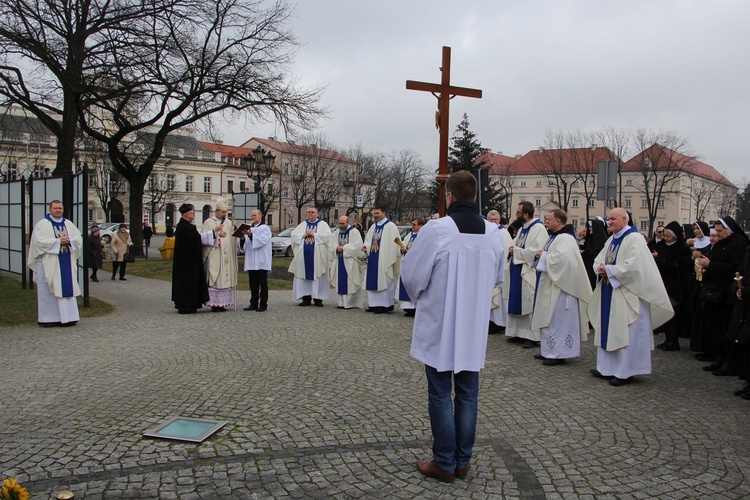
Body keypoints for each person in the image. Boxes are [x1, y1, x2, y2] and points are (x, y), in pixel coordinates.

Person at [401, 171, 505, 483]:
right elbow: (498, 279)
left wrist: (421, 295)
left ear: (450, 196)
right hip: (472, 325)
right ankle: (462, 462)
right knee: (468, 394)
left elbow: (414, 276)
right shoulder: (493, 232)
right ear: (475, 196)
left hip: (441, 323)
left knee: (440, 394)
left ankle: (444, 462)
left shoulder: (438, 229)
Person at [588, 208, 674, 386]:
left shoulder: (635, 239)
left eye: (613, 219)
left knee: (626, 331)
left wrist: (609, 270)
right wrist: (601, 268)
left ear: (625, 220)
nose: (609, 222)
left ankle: (626, 371)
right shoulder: (612, 239)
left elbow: (634, 267)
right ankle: (607, 368)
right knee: (609, 329)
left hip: (629, 294)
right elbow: (599, 259)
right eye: (608, 219)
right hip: (610, 290)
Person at [531, 209, 592, 365]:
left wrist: (542, 256)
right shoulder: (554, 237)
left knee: (557, 321)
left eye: (548, 219)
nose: (546, 221)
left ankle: (559, 353)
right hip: (550, 285)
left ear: (558, 221)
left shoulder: (566, 238)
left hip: (561, 289)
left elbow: (564, 261)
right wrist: (542, 255)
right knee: (549, 318)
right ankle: (548, 351)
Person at [696, 217, 749, 376]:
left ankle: (729, 362)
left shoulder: (739, 245)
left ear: (730, 230)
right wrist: (706, 267)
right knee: (716, 328)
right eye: (716, 231)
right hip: (715, 294)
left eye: (720, 231)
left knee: (726, 329)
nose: (717, 235)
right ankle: (719, 358)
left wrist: (710, 265)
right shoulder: (721, 244)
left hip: (727, 295)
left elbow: (734, 269)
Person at [27, 200, 83, 327]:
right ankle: (48, 318)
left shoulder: (68, 224)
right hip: (49, 263)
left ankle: (70, 317)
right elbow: (39, 242)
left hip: (66, 261)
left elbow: (78, 239)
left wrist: (69, 240)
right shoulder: (42, 224)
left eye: (60, 208)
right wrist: (58, 241)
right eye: (56, 208)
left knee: (67, 287)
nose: (58, 210)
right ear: (50, 209)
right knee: (48, 291)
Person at [503, 201, 548, 348]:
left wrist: (515, 251)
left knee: (528, 301)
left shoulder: (539, 228)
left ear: (526, 214)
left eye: (518, 212)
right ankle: (517, 333)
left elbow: (536, 250)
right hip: (517, 268)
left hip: (528, 271)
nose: (516, 214)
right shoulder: (523, 228)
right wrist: (512, 248)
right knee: (516, 300)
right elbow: (515, 244)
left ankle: (532, 336)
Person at [653, 221, 692, 351]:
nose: (666, 238)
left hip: (676, 285)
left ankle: (673, 340)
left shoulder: (683, 248)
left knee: (674, 315)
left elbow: (676, 266)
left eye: (669, 235)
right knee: (667, 313)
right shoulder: (664, 246)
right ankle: (668, 339)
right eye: (665, 235)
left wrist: (657, 261)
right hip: (664, 283)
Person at [172, 203, 218, 314]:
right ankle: (186, 305)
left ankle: (191, 305)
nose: (194, 214)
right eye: (192, 213)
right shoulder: (184, 226)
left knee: (191, 283)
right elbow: (196, 239)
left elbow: (195, 239)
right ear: (187, 215)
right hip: (186, 261)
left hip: (190, 260)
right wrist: (213, 231)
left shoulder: (186, 225)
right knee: (187, 283)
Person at [289, 207, 332, 306]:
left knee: (318, 277)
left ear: (317, 214)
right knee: (303, 277)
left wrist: (314, 234)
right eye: (308, 212)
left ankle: (318, 298)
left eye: (312, 212)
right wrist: (303, 235)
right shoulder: (303, 225)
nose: (310, 214)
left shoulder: (323, 225)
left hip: (318, 258)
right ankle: (306, 298)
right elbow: (294, 235)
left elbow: (328, 237)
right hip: (304, 258)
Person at [202, 197, 239, 311]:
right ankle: (214, 304)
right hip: (215, 255)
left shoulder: (228, 222)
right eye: (222, 212)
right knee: (216, 278)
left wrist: (235, 228)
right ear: (217, 211)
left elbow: (233, 239)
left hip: (227, 257)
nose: (224, 214)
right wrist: (217, 235)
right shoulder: (209, 222)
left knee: (226, 278)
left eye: (226, 212)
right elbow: (204, 238)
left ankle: (223, 303)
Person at [363, 207, 402, 314]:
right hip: (373, 257)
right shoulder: (373, 226)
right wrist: (366, 247)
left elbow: (395, 242)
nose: (375, 215)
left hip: (384, 258)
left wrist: (391, 253)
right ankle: (373, 305)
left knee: (385, 280)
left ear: (384, 213)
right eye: (375, 213)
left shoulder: (390, 226)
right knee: (373, 280)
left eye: (377, 213)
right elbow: (368, 240)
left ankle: (384, 305)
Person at [330, 215, 365, 309]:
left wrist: (344, 248)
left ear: (348, 223)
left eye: (342, 223)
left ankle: (352, 303)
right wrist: (336, 248)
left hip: (351, 261)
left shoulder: (354, 232)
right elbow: (331, 244)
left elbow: (357, 245)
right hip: (339, 260)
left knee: (352, 281)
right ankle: (341, 303)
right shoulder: (336, 232)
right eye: (339, 223)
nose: (340, 225)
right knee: (340, 281)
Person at [240, 209, 272, 312]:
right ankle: (253, 303)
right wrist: (242, 239)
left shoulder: (265, 228)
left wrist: (250, 235)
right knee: (253, 284)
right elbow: (245, 246)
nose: (253, 217)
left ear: (260, 216)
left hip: (261, 260)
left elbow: (262, 241)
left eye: (254, 215)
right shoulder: (249, 228)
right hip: (251, 260)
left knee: (262, 284)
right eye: (252, 215)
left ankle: (263, 304)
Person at [486, 210, 513, 334]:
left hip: (500, 269)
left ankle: (499, 323)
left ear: (499, 220)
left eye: (495, 220)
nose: (493, 222)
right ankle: (490, 322)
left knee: (499, 298)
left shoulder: (503, 233)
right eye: (490, 220)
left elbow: (506, 251)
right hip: (488, 269)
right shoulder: (485, 231)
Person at [395, 217, 425, 316]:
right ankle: (407, 307)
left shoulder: (423, 236)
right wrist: (402, 249)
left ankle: (415, 308)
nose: (412, 226)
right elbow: (403, 245)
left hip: (416, 266)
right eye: (412, 224)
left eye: (414, 224)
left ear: (421, 226)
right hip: (407, 264)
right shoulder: (409, 235)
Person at [582, 218, 608, 289]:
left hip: (593, 268)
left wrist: (588, 248)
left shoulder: (601, 240)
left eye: (591, 227)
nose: (589, 228)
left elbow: (597, 254)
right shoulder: (590, 238)